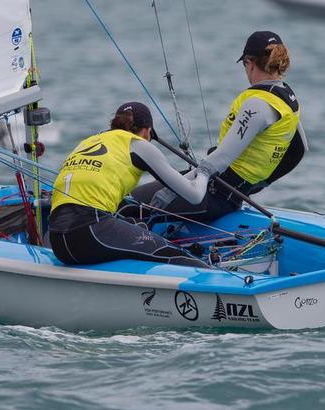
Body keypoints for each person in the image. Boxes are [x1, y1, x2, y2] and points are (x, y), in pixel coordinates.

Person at [131, 31, 306, 224]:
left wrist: (169, 192)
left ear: (250, 63)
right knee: (131, 197)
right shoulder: (287, 98)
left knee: (130, 208)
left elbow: (220, 159)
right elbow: (299, 149)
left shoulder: (257, 104)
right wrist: (262, 181)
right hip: (217, 186)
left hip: (215, 197)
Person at [48, 102, 212, 268]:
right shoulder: (137, 144)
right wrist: (205, 171)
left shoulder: (87, 142)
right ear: (148, 130)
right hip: (88, 233)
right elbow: (195, 195)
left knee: (134, 224)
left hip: (57, 240)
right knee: (172, 252)